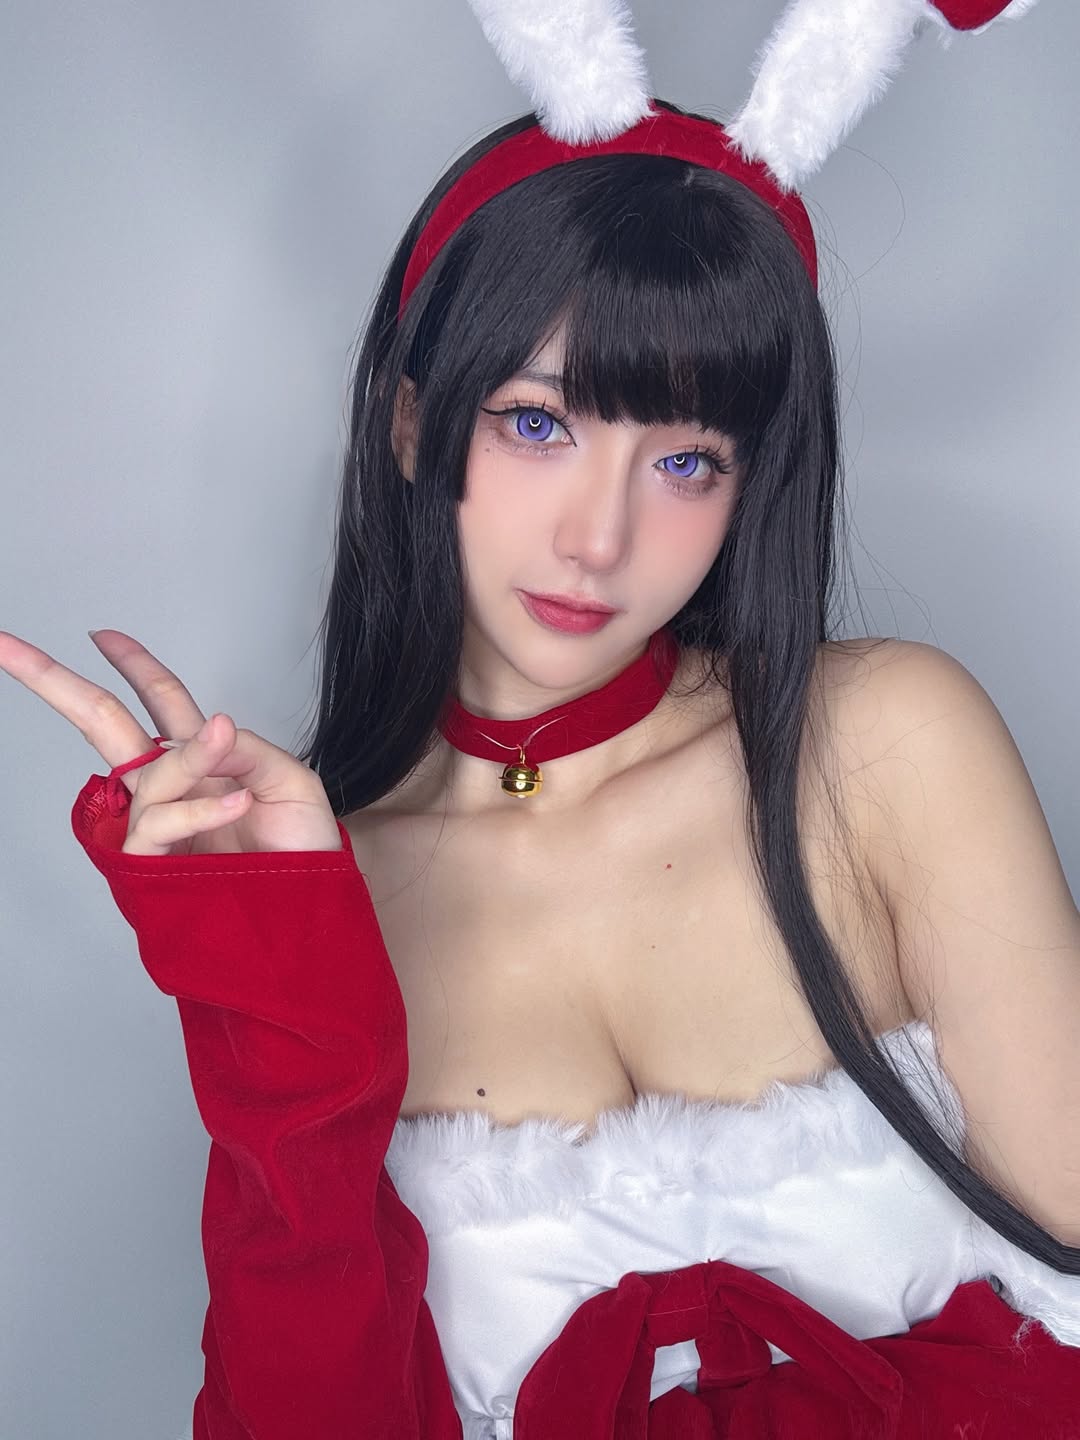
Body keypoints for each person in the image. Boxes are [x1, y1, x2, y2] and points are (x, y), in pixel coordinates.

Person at [2, 4, 1079, 1436]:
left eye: (686, 462)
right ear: (412, 424)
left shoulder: (884, 743)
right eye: (538, 423)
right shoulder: (334, 888)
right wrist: (272, 989)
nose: (598, 538)